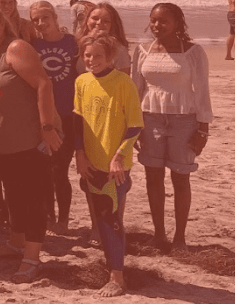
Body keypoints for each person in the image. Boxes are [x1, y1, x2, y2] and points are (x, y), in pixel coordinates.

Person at [0, 6, 61, 283]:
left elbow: (44, 85)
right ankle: (16, 244)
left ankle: (32, 259)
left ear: (2, 25)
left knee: (32, 199)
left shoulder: (17, 48)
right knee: (13, 197)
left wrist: (47, 128)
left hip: (30, 139)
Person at [132, 3, 211, 252]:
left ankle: (180, 238)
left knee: (180, 179)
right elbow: (136, 90)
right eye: (153, 20)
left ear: (178, 23)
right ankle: (159, 235)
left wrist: (203, 129)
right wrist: (134, 125)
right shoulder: (142, 51)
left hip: (184, 121)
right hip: (150, 119)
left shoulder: (193, 52)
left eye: (164, 21)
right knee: (153, 178)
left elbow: (202, 92)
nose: (157, 26)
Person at [74, 35, 143, 297]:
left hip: (116, 166)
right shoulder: (82, 82)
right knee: (100, 218)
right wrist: (79, 154)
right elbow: (77, 122)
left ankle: (118, 279)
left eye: (98, 56)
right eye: (87, 55)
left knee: (110, 218)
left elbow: (135, 125)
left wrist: (119, 157)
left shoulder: (124, 83)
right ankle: (112, 269)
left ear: (111, 57)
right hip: (90, 163)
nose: (91, 60)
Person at [29, 1, 80, 233]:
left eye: (44, 18)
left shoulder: (72, 43)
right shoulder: (33, 45)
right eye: (35, 20)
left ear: (55, 17)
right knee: (45, 170)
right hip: (44, 116)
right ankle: (48, 216)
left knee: (61, 170)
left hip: (69, 115)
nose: (40, 23)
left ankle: (64, 219)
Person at [81, 3, 131, 74]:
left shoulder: (120, 50)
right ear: (87, 20)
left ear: (113, 25)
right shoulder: (78, 44)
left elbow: (125, 79)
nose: (99, 22)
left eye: (106, 21)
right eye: (95, 18)